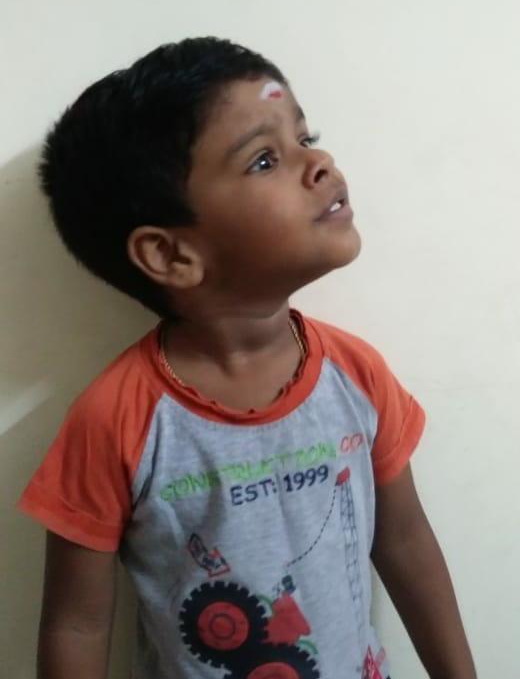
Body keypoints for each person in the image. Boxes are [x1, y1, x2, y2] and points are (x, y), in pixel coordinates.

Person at [18, 37, 476, 679]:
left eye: (306, 137)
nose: (319, 162)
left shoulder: (356, 376)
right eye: (265, 159)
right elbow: (77, 624)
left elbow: (404, 543)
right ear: (171, 255)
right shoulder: (115, 420)